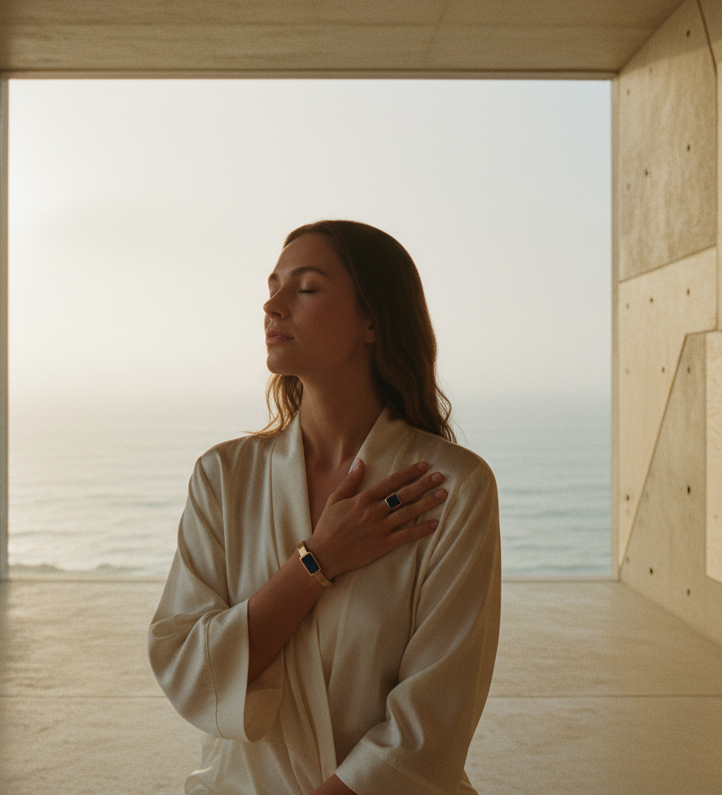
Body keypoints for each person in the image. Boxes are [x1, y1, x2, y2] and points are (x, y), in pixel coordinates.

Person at [148, 220, 501, 795]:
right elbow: (187, 662)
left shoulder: (452, 488)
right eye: (273, 285)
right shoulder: (224, 476)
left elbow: (436, 713)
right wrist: (317, 560)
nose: (273, 304)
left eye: (306, 288)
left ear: (373, 320)